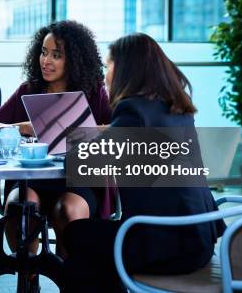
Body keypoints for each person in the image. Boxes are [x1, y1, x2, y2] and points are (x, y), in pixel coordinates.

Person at [62, 33, 226, 292]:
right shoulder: (176, 108)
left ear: (127, 69)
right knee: (97, 240)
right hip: (198, 239)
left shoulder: (134, 111)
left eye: (108, 66)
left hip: (167, 245)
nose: (105, 75)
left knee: (77, 234)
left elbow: (81, 163)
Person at [0, 20, 112, 257]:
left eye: (56, 55)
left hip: (78, 180)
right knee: (19, 208)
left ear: (74, 59)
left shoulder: (95, 93)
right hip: (30, 178)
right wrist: (24, 128)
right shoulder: (28, 90)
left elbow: (116, 130)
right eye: (43, 52)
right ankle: (28, 274)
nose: (46, 61)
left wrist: (74, 129)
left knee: (68, 210)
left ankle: (66, 276)